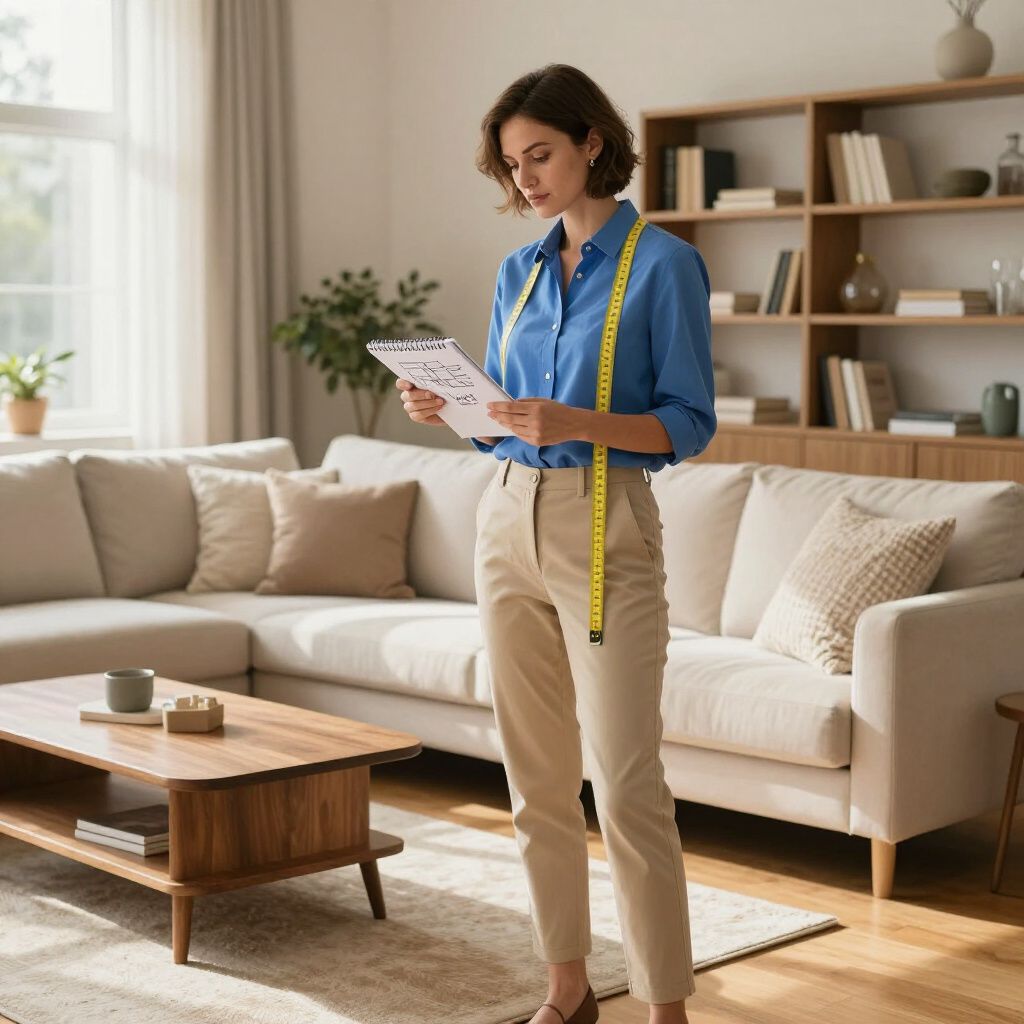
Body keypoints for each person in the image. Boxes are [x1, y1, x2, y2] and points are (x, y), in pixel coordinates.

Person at [397, 63, 715, 1024]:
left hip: (606, 522)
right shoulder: (518, 272)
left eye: (540, 154)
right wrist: (451, 411)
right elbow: (505, 421)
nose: (525, 177)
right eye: (511, 163)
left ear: (591, 143)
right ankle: (567, 988)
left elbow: (690, 425)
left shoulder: (663, 264)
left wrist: (575, 417)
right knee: (534, 780)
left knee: (623, 784)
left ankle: (665, 1006)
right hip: (505, 520)